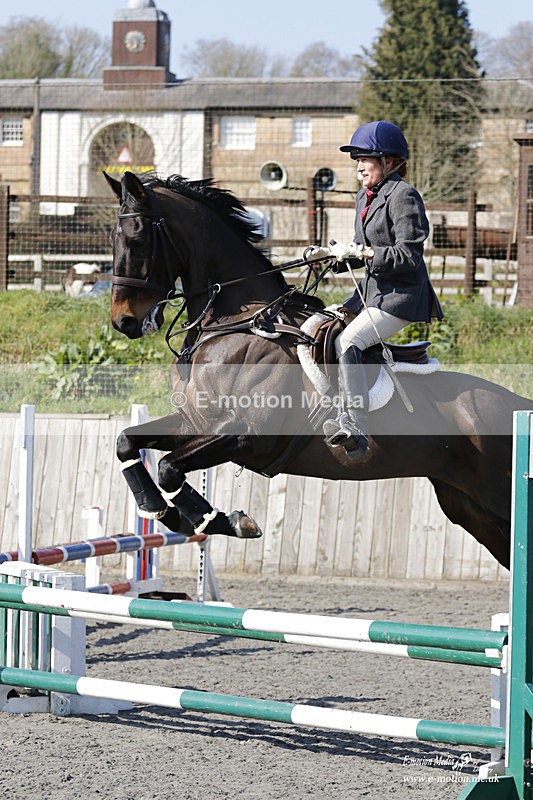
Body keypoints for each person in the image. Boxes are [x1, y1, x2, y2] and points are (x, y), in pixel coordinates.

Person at [315, 120, 443, 462]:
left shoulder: (404, 196)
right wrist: (334, 258)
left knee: (348, 341)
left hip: (401, 297)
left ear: (389, 162)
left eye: (366, 160)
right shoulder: (364, 197)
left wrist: (367, 253)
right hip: (370, 293)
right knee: (319, 325)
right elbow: (362, 252)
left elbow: (408, 256)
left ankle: (356, 428)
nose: (359, 167)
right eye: (357, 160)